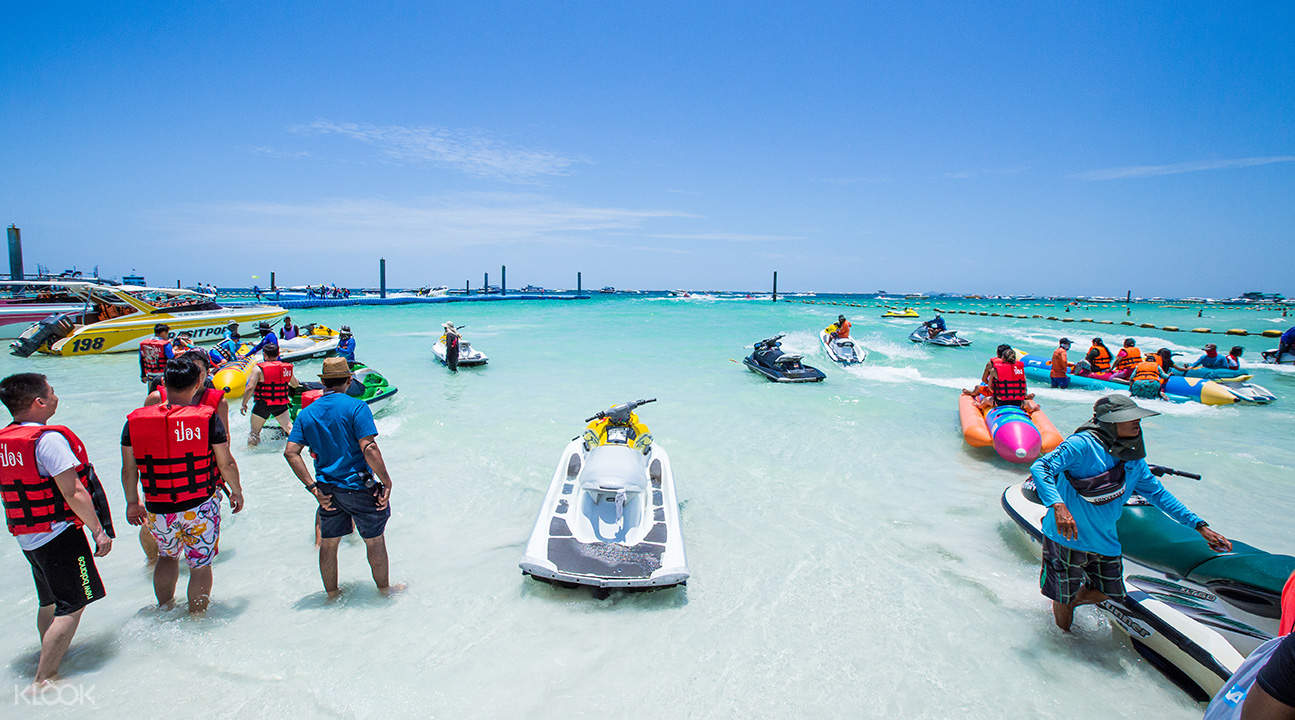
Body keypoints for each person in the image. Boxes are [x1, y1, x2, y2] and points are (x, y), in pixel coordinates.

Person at [1029, 395, 1230, 632]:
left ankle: (1073, 601)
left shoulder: (1134, 459)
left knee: (1110, 592)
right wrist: (1057, 505)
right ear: (1109, 422)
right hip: (1066, 537)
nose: (1137, 422)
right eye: (1128, 418)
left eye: (1137, 418)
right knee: (1062, 596)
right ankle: (1064, 639)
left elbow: (1159, 495)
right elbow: (1040, 467)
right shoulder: (1081, 445)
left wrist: (1199, 526)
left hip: (1105, 540)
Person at [0, 373, 113, 685]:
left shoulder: (5, 440)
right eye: (51, 392)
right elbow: (73, 491)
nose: (55, 396)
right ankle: (45, 678)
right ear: (39, 402)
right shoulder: (47, 440)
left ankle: (49, 653)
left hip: (28, 537)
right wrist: (98, 530)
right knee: (72, 605)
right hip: (58, 534)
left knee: (48, 601)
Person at [121, 358, 244, 613]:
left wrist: (132, 502)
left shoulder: (134, 421)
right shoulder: (206, 418)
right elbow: (225, 463)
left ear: (163, 382)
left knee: (167, 557)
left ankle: (164, 607)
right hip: (199, 503)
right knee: (200, 564)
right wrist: (237, 491)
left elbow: (129, 468)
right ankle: (197, 617)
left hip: (158, 505)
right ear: (199, 382)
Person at [283, 358, 400, 597]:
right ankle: (384, 592)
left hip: (327, 491)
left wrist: (313, 488)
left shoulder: (306, 413)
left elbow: (291, 452)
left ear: (323, 382)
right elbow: (369, 448)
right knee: (374, 541)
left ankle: (332, 594)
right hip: (359, 487)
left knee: (329, 543)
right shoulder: (357, 407)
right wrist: (386, 481)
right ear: (349, 380)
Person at [241, 344, 301, 445]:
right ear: (278, 354)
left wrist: (244, 403)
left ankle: (252, 455)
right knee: (290, 429)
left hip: (263, 404)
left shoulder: (258, 369)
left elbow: (250, 387)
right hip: (280, 404)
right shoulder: (286, 368)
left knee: (254, 433)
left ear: (264, 354)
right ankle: (299, 449)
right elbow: (295, 384)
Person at [964, 345, 1039, 412]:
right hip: (1018, 402)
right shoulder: (1020, 369)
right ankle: (1031, 408)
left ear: (1002, 358)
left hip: (1001, 402)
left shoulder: (995, 369)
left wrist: (998, 393)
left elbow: (990, 388)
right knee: (1027, 403)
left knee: (986, 400)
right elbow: (1024, 386)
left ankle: (979, 405)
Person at [139, 323, 176, 391]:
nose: (167, 335)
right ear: (163, 332)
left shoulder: (143, 344)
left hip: (150, 375)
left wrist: (143, 375)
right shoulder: (165, 344)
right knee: (164, 396)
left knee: (152, 396)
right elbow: (172, 359)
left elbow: (141, 360)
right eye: (167, 333)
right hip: (163, 376)